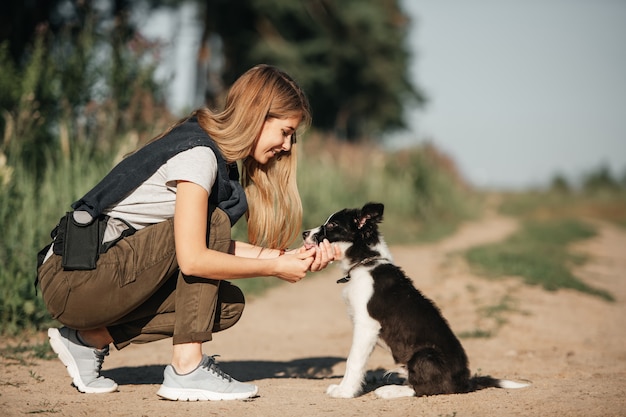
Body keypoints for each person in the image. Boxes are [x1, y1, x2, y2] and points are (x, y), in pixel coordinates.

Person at [36, 64, 338, 401]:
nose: (286, 145)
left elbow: (207, 245)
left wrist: (288, 258)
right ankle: (187, 369)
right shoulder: (200, 156)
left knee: (226, 305)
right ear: (257, 115)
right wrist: (274, 267)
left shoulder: (218, 158)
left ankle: (87, 340)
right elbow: (195, 258)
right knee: (213, 224)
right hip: (73, 278)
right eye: (285, 131)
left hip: (96, 278)